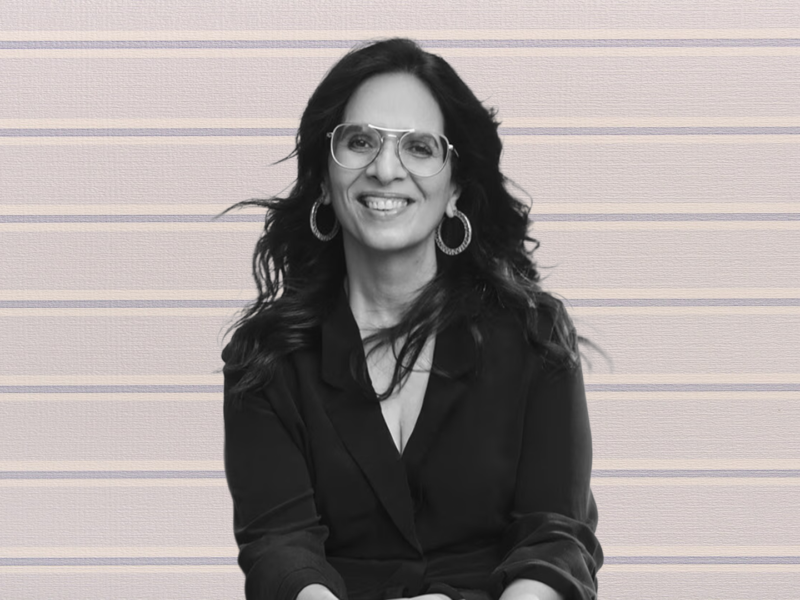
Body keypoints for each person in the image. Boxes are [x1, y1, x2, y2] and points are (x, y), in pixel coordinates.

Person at [221, 38, 602, 600]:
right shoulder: (267, 357)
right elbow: (279, 549)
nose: (385, 169)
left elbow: (556, 541)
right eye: (360, 142)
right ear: (324, 176)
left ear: (455, 188)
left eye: (419, 148)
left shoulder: (533, 338)